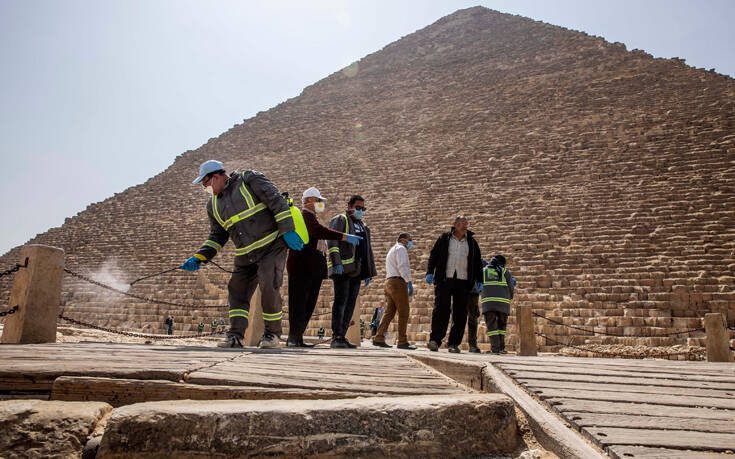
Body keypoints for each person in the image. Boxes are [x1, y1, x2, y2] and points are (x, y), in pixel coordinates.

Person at [181, 160, 304, 349]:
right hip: (245, 254)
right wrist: (200, 256)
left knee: (268, 285)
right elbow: (217, 236)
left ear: (215, 177)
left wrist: (287, 229)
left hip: (271, 246)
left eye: (205, 183)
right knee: (236, 290)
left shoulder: (249, 179)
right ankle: (235, 336)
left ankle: (272, 334)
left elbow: (276, 200)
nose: (204, 188)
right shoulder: (212, 206)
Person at [286, 187, 361, 347]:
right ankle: (293, 338)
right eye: (319, 200)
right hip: (302, 268)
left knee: (308, 304)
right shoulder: (304, 215)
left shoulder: (311, 217)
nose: (321, 204)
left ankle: (297, 338)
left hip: (311, 269)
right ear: (309, 201)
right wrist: (344, 236)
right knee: (299, 304)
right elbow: (316, 231)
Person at [425, 216, 483, 354]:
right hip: (445, 279)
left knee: (460, 313)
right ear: (454, 224)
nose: (464, 226)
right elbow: (433, 255)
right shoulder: (444, 238)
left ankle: (454, 343)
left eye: (466, 223)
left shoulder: (472, 242)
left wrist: (480, 280)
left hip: (463, 281)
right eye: (462, 223)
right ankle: (435, 340)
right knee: (441, 310)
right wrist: (429, 271)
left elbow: (477, 262)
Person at [327, 195, 377, 348]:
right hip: (342, 269)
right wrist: (336, 263)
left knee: (350, 304)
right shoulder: (340, 219)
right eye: (358, 208)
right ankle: (336, 336)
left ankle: (342, 336)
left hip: (357, 270)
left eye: (363, 209)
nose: (360, 211)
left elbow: (367, 251)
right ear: (349, 205)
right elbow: (332, 240)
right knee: (340, 302)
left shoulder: (363, 225)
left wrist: (369, 272)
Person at [373, 233, 417, 349]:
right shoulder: (401, 249)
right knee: (404, 312)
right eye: (410, 240)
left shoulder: (392, 249)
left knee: (389, 312)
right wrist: (409, 281)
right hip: (398, 282)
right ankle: (402, 341)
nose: (411, 242)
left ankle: (379, 337)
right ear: (403, 240)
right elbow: (402, 266)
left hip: (389, 282)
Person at [482, 254, 515, 354]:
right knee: (502, 326)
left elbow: (478, 285)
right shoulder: (505, 272)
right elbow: (511, 287)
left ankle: (495, 348)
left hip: (489, 303)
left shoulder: (484, 271)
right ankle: (501, 348)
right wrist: (510, 298)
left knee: (492, 326)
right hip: (503, 303)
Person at [465, 259, 489, 353]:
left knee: (473, 318)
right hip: (461, 291)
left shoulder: (480, 262)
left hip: (473, 292)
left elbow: (490, 271)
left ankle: (472, 344)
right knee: (459, 317)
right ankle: (453, 342)